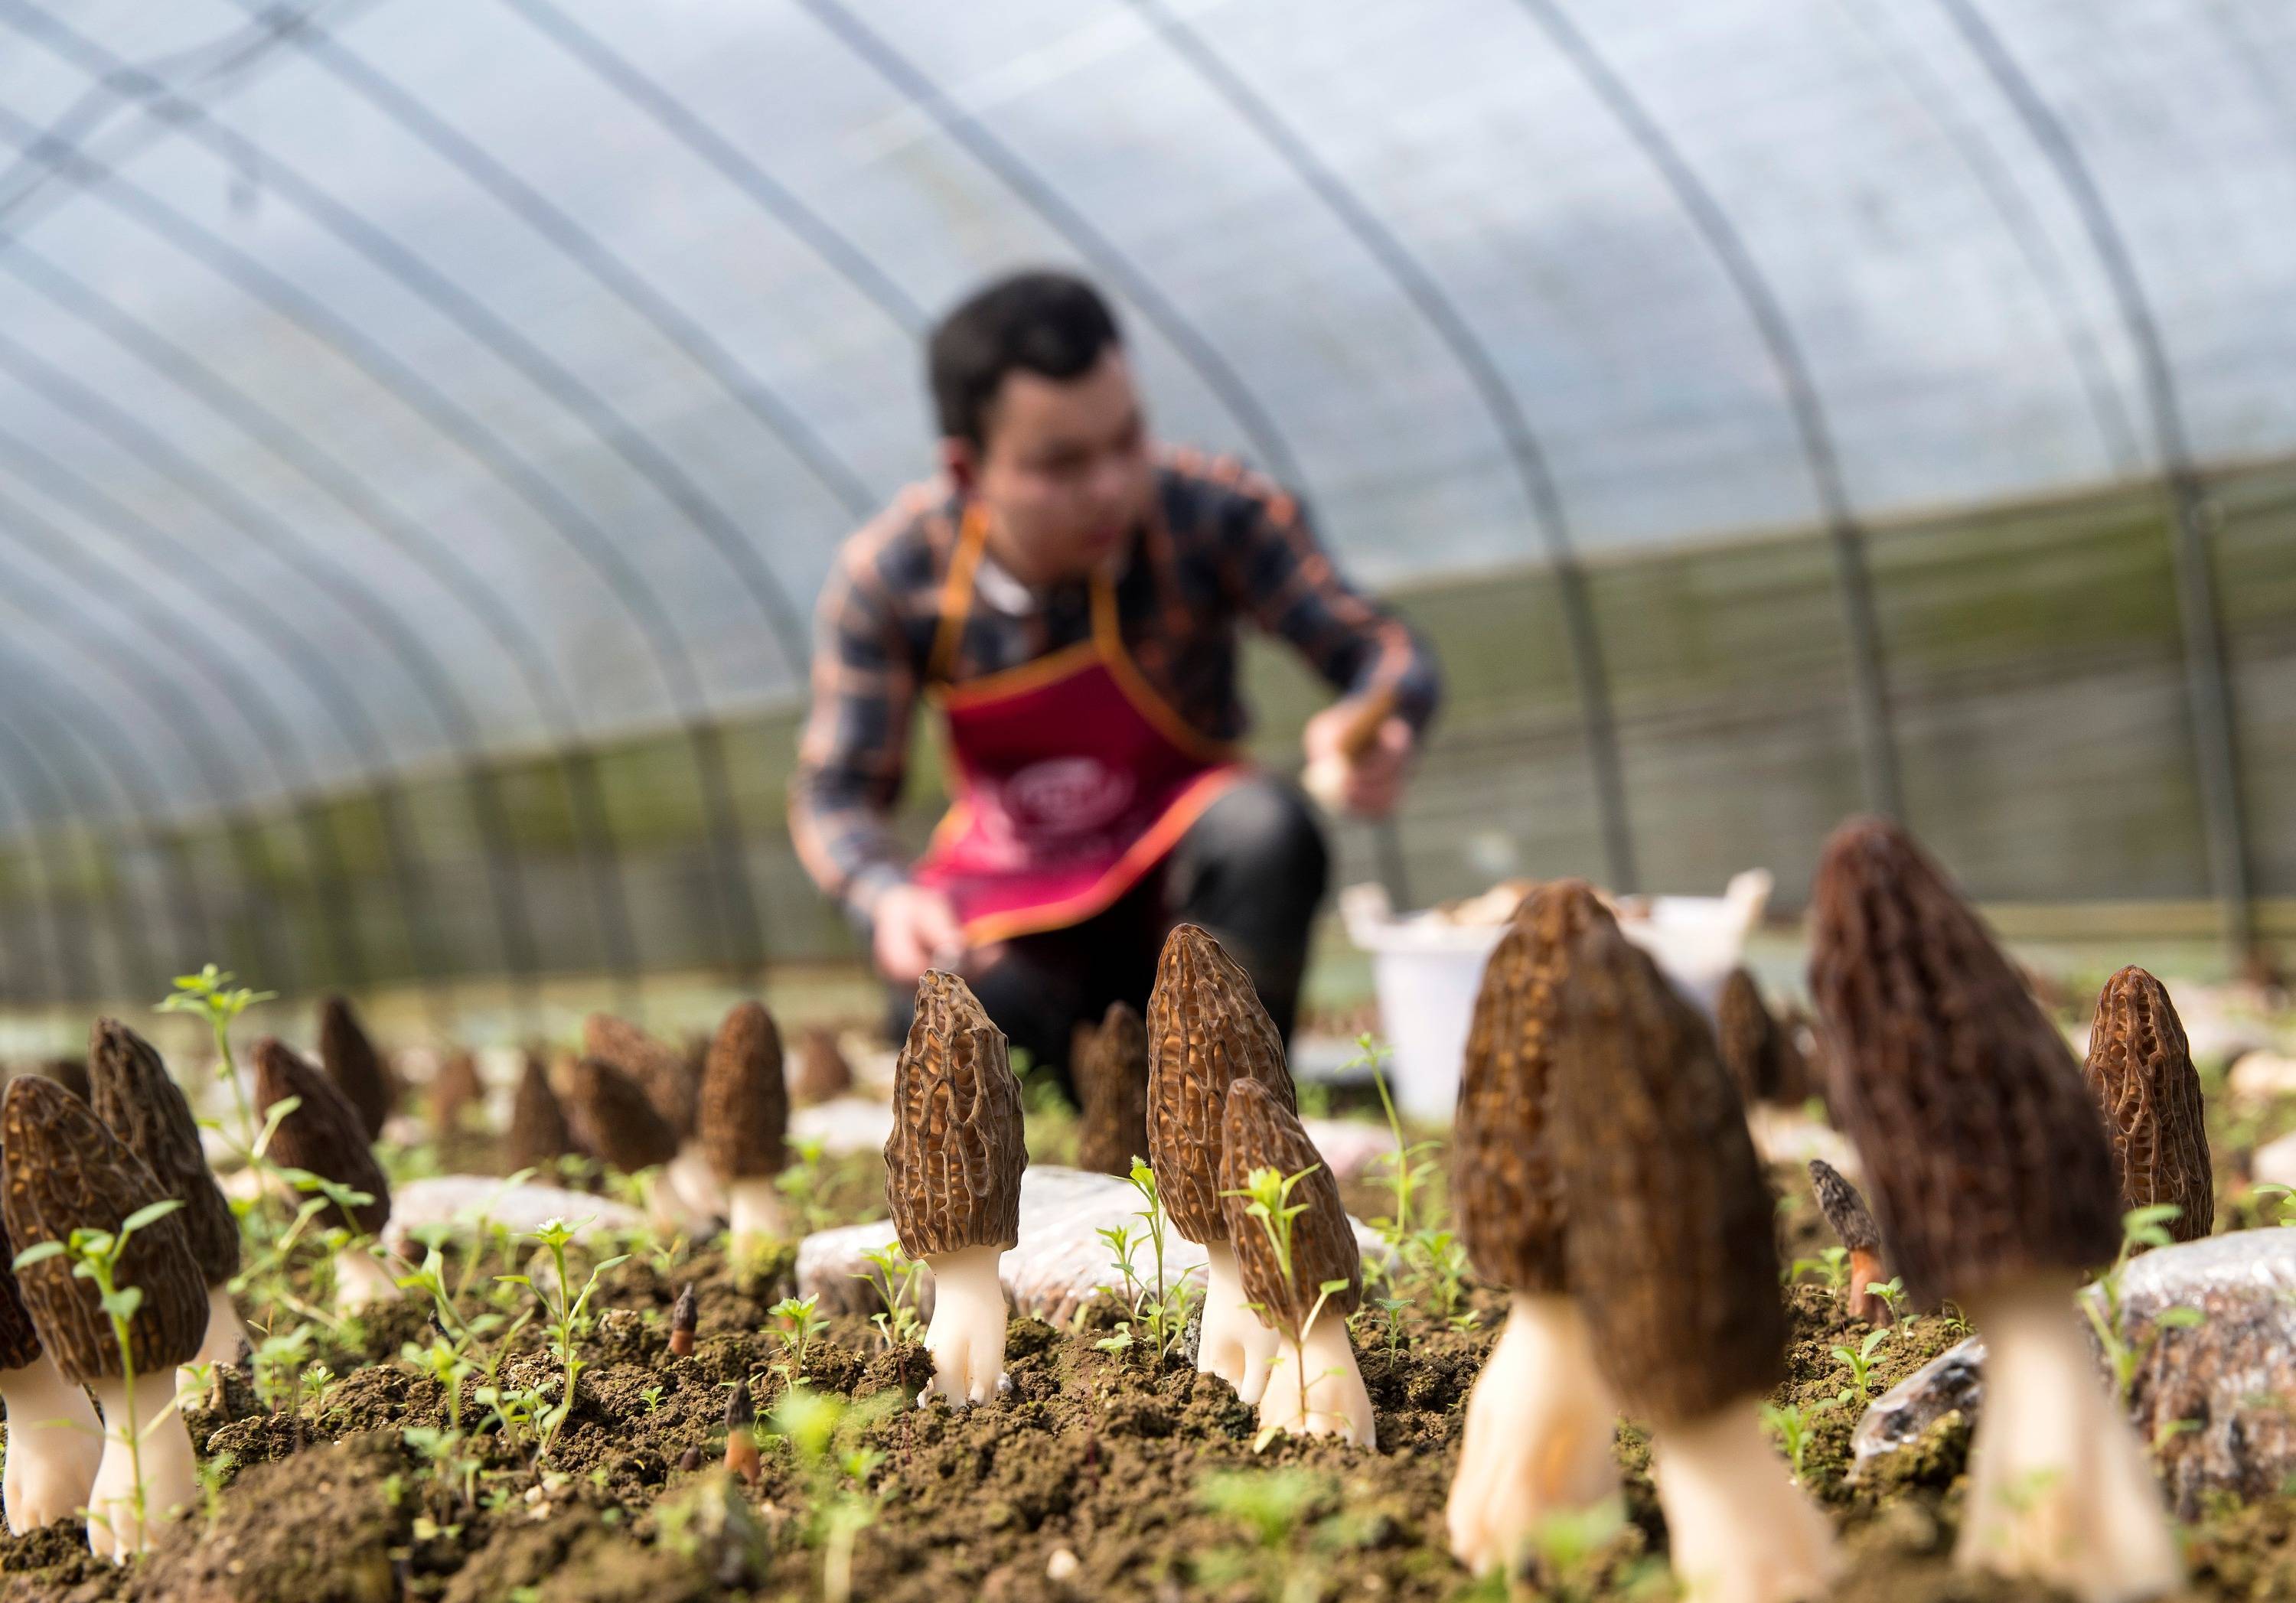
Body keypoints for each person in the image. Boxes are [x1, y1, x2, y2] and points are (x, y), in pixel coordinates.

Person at [791, 269, 1440, 1092]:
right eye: (1061, 464)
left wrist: (1379, 719)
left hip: (1185, 908)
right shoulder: (894, 578)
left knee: (1266, 830)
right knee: (944, 999)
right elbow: (835, 793)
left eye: (1127, 441)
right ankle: (1081, 1105)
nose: (1110, 487)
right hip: (1024, 905)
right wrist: (887, 897)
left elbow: (1379, 649)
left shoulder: (1210, 512)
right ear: (966, 472)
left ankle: (1230, 1103)